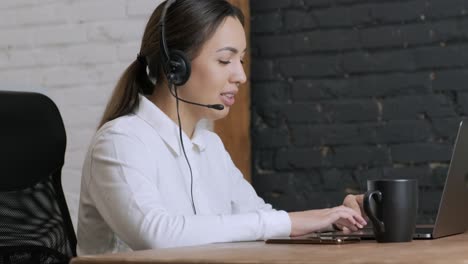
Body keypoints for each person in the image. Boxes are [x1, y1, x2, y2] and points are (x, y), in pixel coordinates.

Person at [76, 0, 367, 255]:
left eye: (240, 60)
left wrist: (335, 219)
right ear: (175, 66)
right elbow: (156, 235)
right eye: (225, 60)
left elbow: (263, 222)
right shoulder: (120, 142)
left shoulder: (209, 146)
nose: (240, 75)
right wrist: (289, 222)